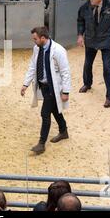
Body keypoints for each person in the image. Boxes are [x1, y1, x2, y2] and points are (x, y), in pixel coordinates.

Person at [21, 27, 71, 155]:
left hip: (53, 87)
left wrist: (65, 91)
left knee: (45, 113)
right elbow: (33, 66)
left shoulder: (58, 50)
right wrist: (25, 84)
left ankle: (41, 143)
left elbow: (65, 71)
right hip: (43, 86)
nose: (34, 41)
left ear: (43, 38)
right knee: (54, 109)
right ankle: (63, 131)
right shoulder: (37, 48)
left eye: (35, 39)